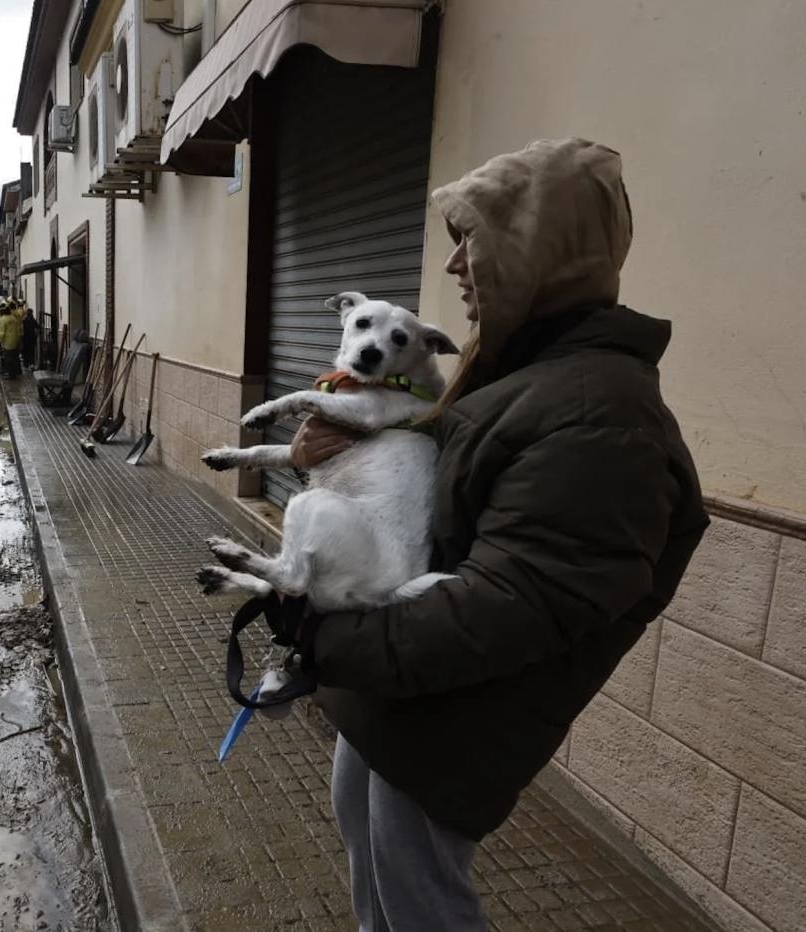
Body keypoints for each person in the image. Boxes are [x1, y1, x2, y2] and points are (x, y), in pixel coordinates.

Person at [284, 139, 707, 931]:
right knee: (376, 883)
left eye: (470, 242)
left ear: (540, 250)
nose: (453, 269)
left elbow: (512, 602)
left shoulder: (602, 416)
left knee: (422, 908)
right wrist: (336, 449)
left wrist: (320, 637)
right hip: (403, 689)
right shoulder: (521, 373)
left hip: (457, 717)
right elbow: (437, 502)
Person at [0, 301, 23, 379]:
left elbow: (1, 333)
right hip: (15, 341)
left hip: (7, 342)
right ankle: (14, 373)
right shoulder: (13, 318)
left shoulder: (3, 319)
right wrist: (18, 340)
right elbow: (17, 330)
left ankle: (11, 375)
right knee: (14, 358)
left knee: (8, 359)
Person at [21, 305, 39, 371]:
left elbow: (21, 330)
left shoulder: (24, 321)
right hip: (31, 339)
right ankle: (31, 364)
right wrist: (36, 336)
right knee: (31, 352)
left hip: (26, 339)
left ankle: (27, 364)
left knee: (27, 352)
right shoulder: (32, 321)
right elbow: (37, 328)